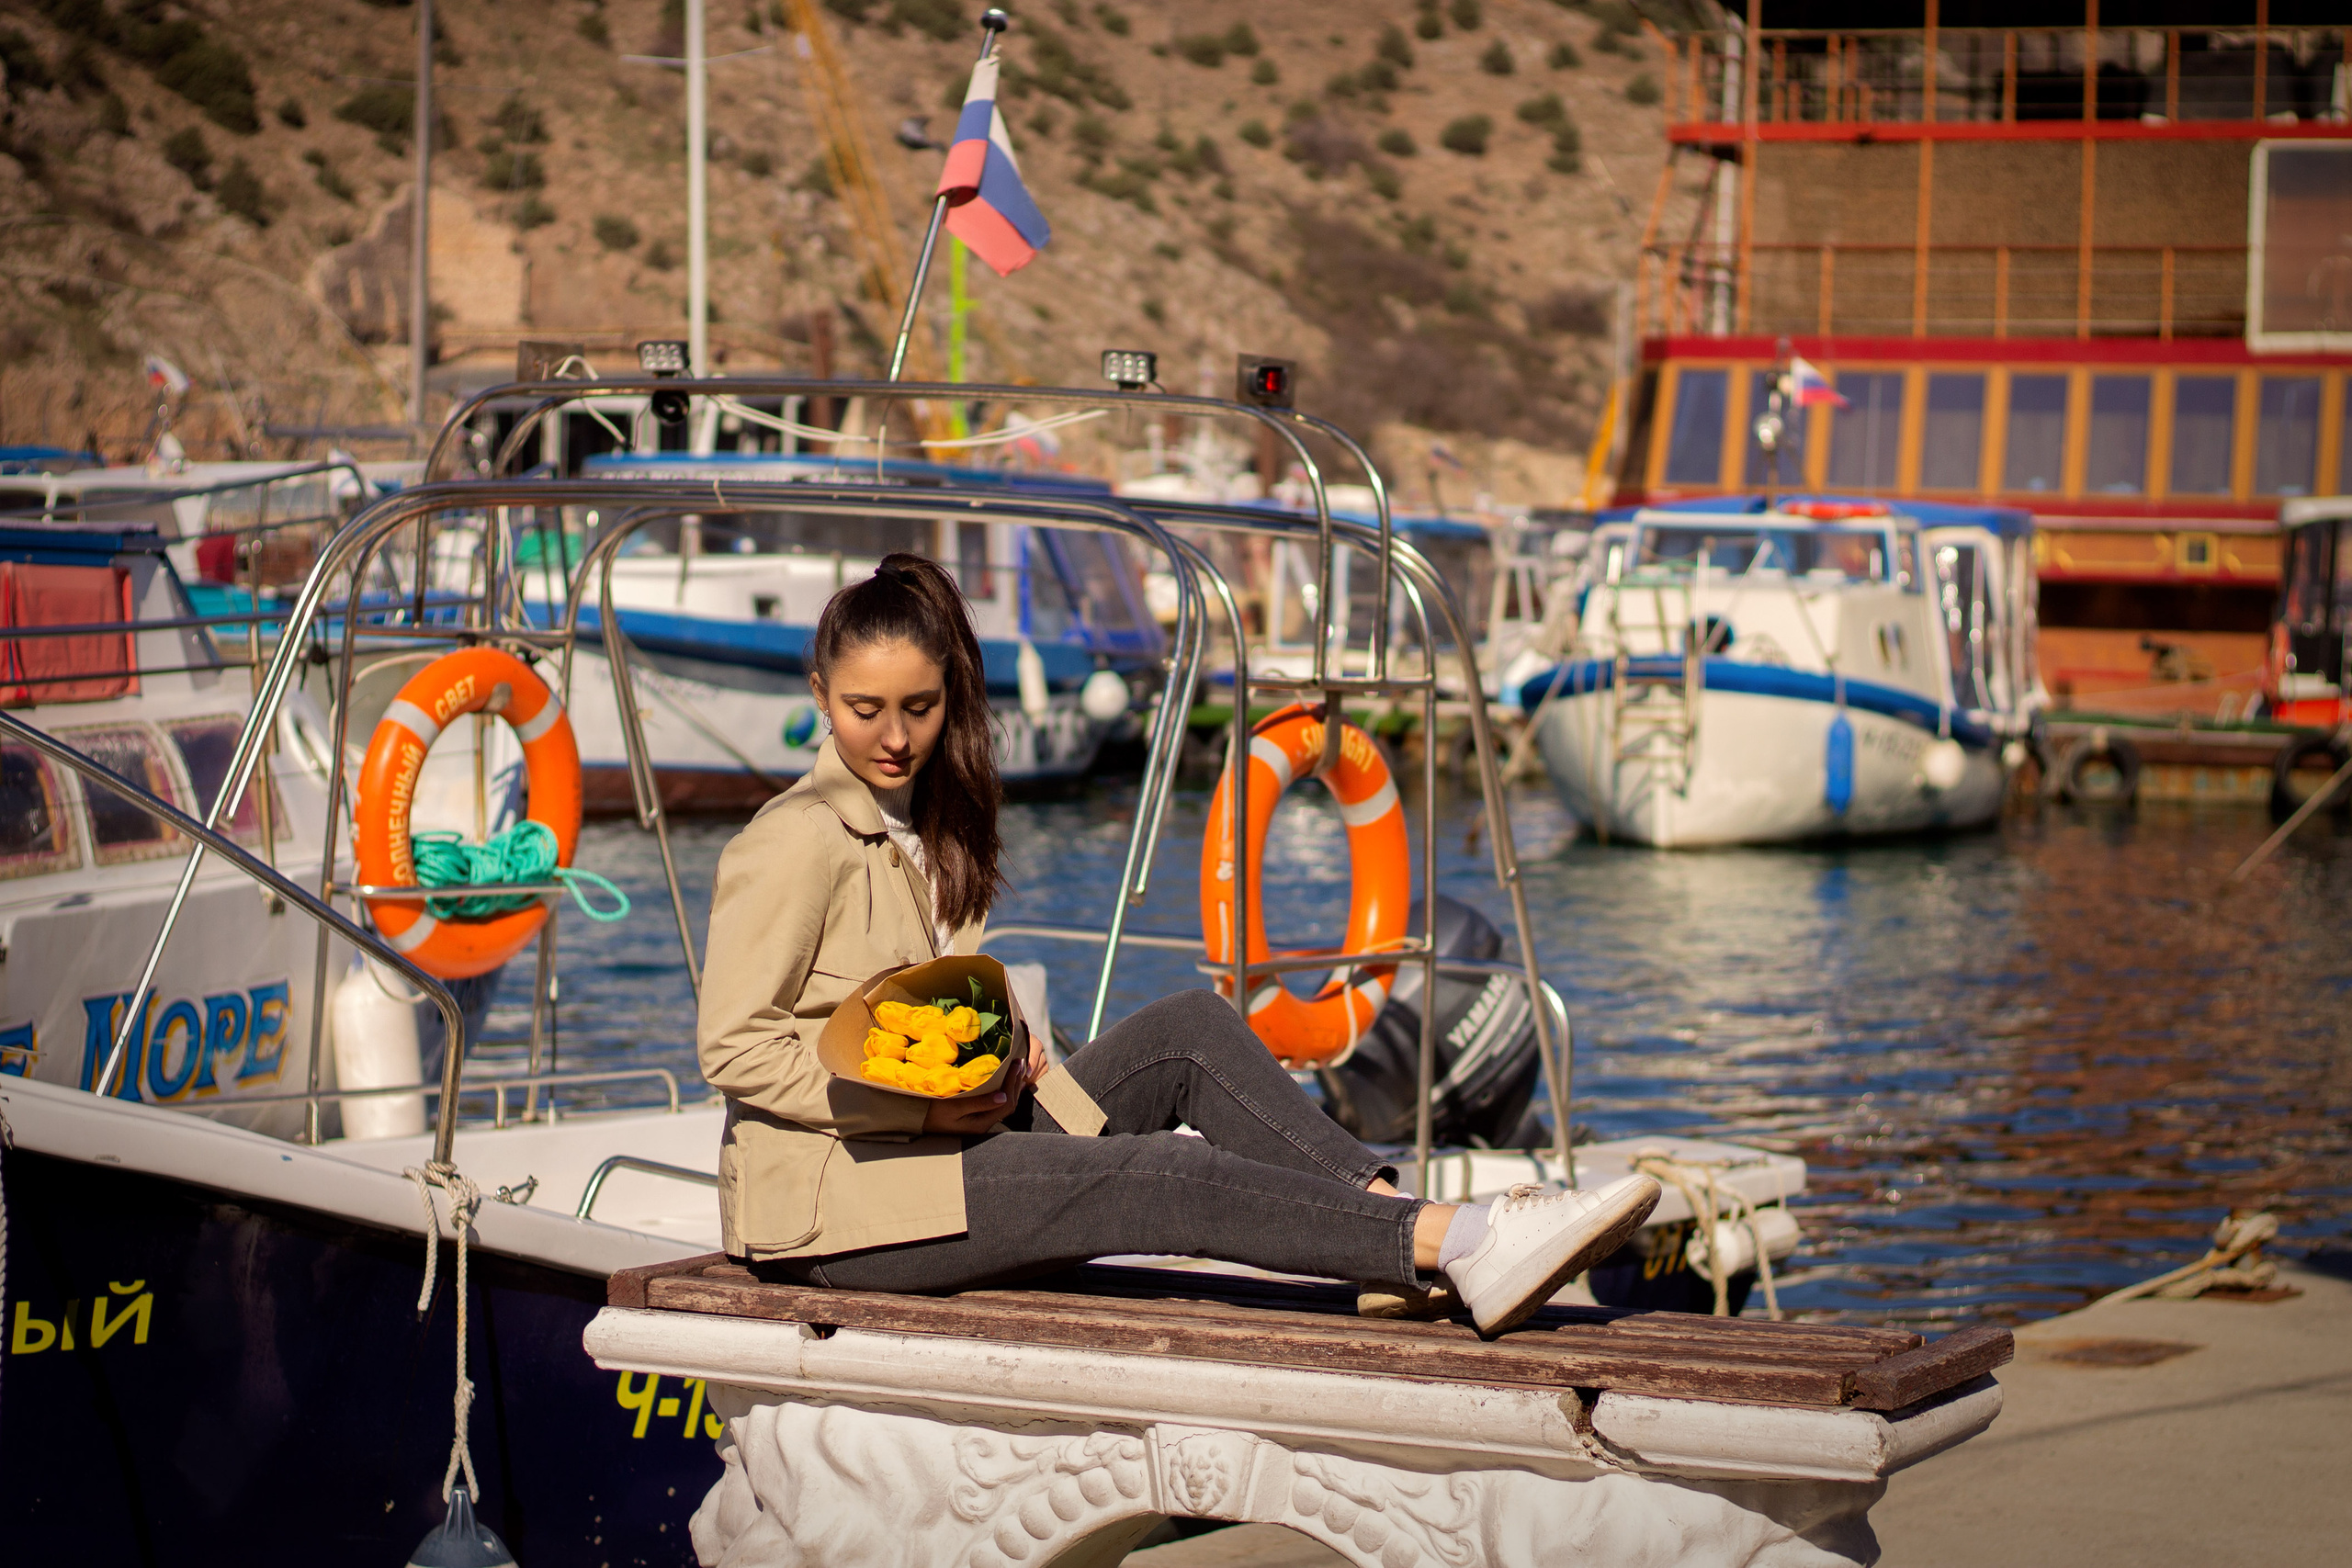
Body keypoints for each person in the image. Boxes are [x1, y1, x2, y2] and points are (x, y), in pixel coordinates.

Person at [696, 554, 1659, 1337]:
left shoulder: (931, 825)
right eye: (866, 711)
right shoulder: (794, 839)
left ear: (950, 694)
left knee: (1190, 1032)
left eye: (920, 707)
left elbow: (917, 1008)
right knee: (1161, 1173)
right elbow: (735, 1046)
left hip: (952, 1146)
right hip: (843, 1208)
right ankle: (1464, 1241)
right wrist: (914, 1110)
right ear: (821, 693)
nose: (896, 736)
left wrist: (1005, 1038)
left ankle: (1390, 1241)